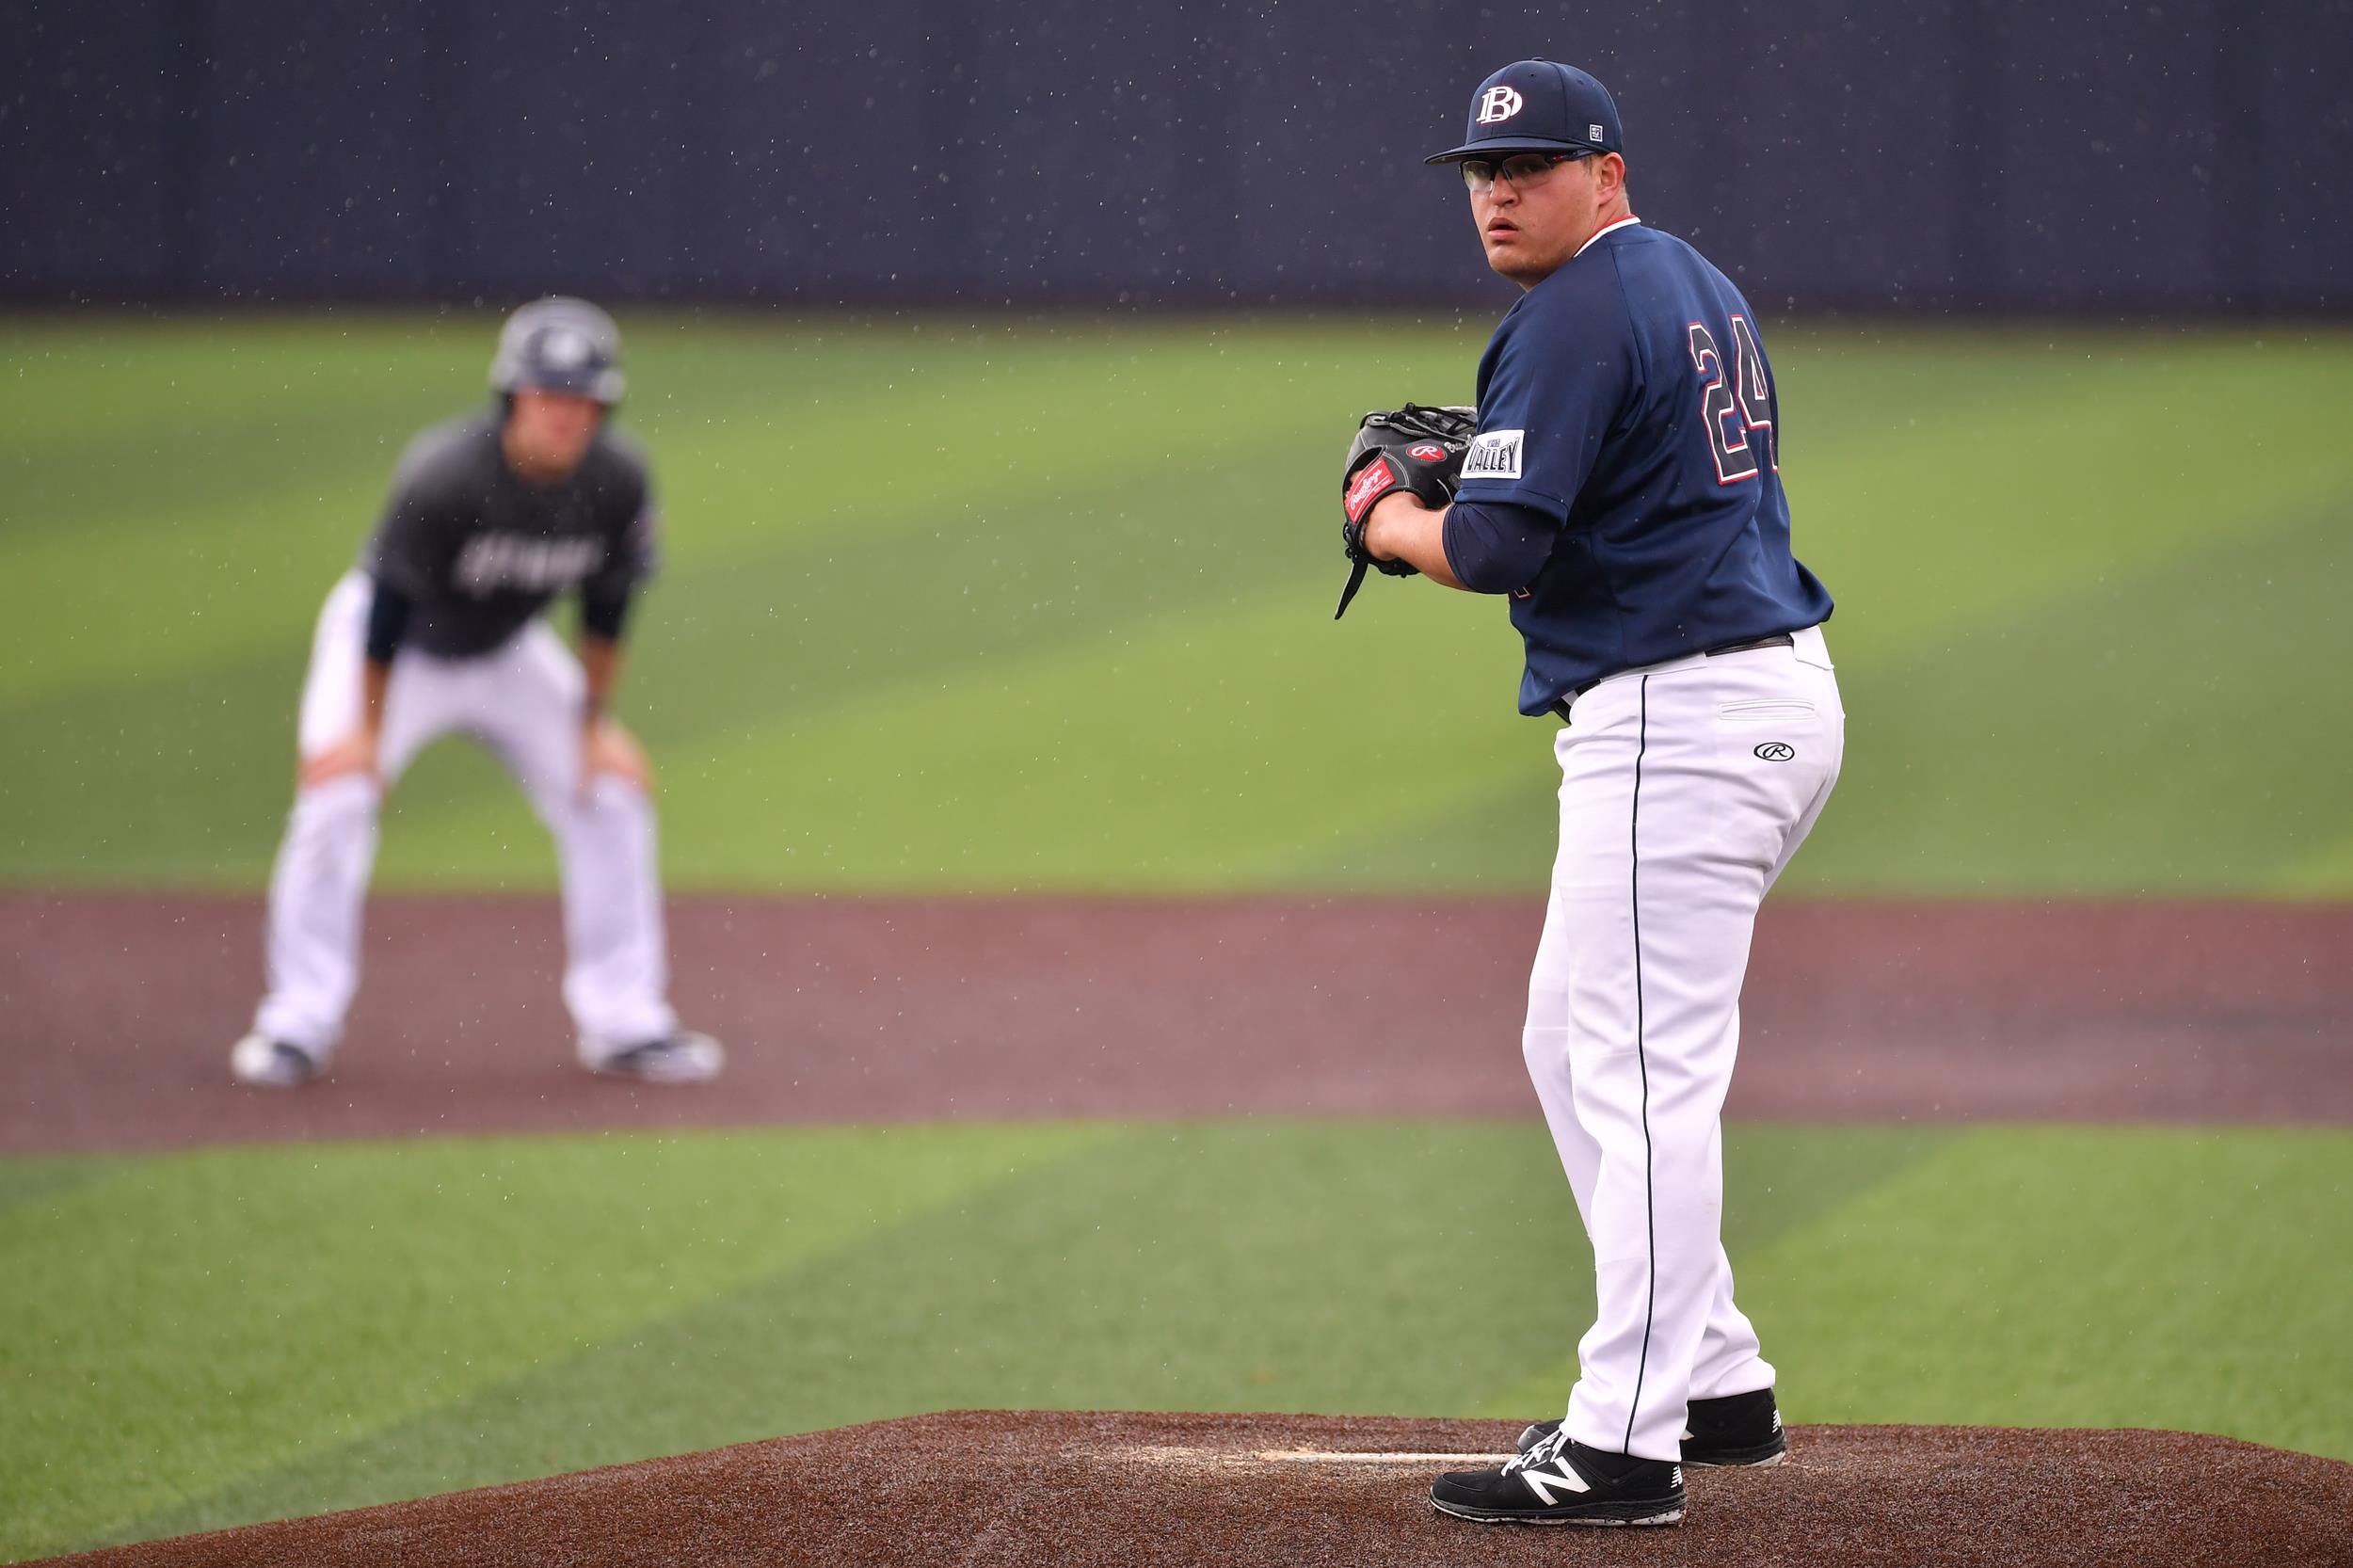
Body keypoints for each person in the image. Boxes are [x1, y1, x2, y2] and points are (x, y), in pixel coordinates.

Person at [1345, 61, 1841, 1527]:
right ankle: (1715, 1377)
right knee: (1572, 1039)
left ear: (1607, 172)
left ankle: (1625, 1438)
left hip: (1676, 724)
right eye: (1482, 173)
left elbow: (1494, 545)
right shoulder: (1688, 279)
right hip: (1761, 691)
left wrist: (1386, 518)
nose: (1499, 192)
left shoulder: (1566, 314)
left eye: (1534, 165)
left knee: (1639, 1077)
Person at [229, 297, 724, 1088]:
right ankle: (297, 1022)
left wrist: (592, 725)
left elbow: (608, 607)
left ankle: (625, 1021)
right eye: (547, 395)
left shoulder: (618, 481)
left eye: (580, 399)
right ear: (514, 398)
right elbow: (389, 605)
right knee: (337, 798)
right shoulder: (447, 473)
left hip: (505, 652)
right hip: (391, 650)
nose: (563, 414)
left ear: (603, 408)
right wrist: (364, 730)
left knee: (612, 794)